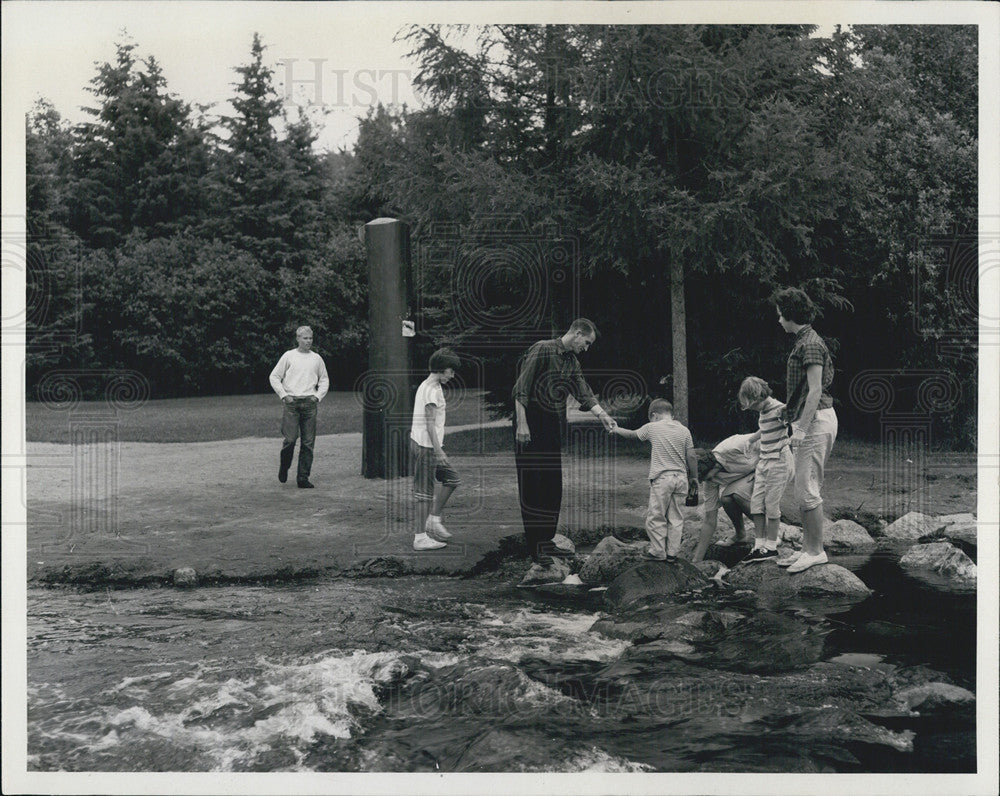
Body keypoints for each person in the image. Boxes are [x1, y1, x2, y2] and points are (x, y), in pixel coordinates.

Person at [513, 318, 617, 566]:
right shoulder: (543, 348)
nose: (587, 348)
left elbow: (584, 391)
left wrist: (603, 415)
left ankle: (547, 539)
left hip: (552, 424)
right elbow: (521, 389)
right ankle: (535, 546)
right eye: (587, 342)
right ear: (578, 333)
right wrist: (522, 424)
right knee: (533, 485)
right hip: (530, 422)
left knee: (552, 484)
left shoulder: (572, 361)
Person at [773, 287, 838, 573]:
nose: (778, 321)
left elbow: (815, 391)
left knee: (807, 489)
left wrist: (799, 428)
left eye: (779, 315)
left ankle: (816, 552)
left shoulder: (810, 344)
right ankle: (807, 550)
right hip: (811, 419)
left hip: (815, 421)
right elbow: (802, 392)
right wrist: (787, 415)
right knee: (803, 489)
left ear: (790, 315)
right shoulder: (805, 340)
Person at [613, 399, 698, 562]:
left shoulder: (652, 427)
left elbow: (633, 435)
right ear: (671, 414)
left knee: (656, 515)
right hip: (681, 479)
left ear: (654, 415)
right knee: (676, 518)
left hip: (662, 479)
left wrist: (616, 429)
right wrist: (694, 477)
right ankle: (672, 553)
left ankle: (658, 551)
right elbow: (691, 455)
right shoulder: (684, 430)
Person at [737, 376, 795, 563]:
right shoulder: (763, 412)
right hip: (763, 461)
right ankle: (758, 545)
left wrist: (791, 440)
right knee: (756, 504)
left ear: (758, 397)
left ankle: (771, 546)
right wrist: (751, 440)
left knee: (771, 504)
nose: (753, 410)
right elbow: (764, 429)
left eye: (753, 406)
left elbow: (797, 424)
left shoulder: (781, 409)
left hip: (779, 461)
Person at [410, 348, 463, 551]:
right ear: (442, 369)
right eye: (451, 371)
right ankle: (420, 538)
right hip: (426, 447)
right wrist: (438, 451)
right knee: (424, 493)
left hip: (427, 445)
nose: (453, 375)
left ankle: (433, 519)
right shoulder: (430, 389)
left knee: (452, 479)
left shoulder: (432, 385)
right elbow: (430, 423)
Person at [269, 326, 329, 488]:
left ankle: (303, 477)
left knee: (308, 442)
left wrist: (317, 397)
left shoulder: (316, 359)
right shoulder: (289, 356)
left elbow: (324, 380)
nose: (308, 341)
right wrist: (284, 395)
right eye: (305, 338)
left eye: (310, 338)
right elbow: (274, 377)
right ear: (298, 339)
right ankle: (284, 465)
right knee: (290, 439)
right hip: (292, 403)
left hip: (309, 403)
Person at [690, 434, 759, 563]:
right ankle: (741, 535)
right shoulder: (709, 481)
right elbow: (710, 521)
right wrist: (697, 560)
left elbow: (767, 437)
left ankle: (769, 533)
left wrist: (761, 470)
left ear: (713, 467)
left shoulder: (732, 447)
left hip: (772, 464)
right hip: (749, 474)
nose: (702, 481)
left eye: (703, 476)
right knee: (726, 498)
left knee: (737, 494)